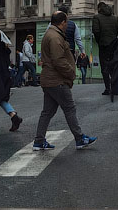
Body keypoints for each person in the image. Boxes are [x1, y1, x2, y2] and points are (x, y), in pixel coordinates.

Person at [33, 11, 96, 151]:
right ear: (62, 22)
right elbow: (58, 60)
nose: (67, 25)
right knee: (69, 108)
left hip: (50, 79)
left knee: (47, 112)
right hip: (57, 80)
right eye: (66, 22)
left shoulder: (51, 34)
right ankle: (80, 138)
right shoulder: (55, 37)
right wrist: (71, 72)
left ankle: (39, 140)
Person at [92, 2, 118, 96]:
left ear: (99, 8)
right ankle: (116, 87)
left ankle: (108, 88)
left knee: (104, 67)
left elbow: (96, 31)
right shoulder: (115, 18)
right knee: (113, 66)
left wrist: (99, 41)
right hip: (114, 46)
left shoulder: (97, 17)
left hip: (103, 45)